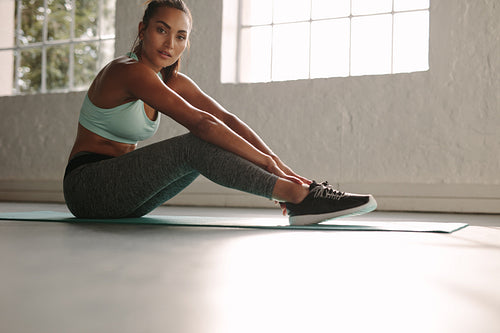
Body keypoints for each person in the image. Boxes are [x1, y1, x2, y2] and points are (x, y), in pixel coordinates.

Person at [63, 0, 377, 225]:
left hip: (125, 195)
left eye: (180, 36)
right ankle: (296, 196)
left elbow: (227, 120)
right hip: (88, 188)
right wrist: (268, 165)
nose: (170, 43)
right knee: (195, 142)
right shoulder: (127, 71)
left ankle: (298, 191)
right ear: (143, 30)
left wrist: (281, 166)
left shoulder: (172, 80)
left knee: (215, 137)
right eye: (161, 30)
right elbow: (202, 123)